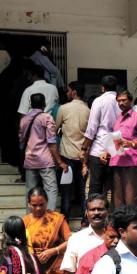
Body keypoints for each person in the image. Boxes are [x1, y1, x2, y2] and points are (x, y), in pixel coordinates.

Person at [20, 93, 68, 211]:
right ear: (44, 103)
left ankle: (30, 220)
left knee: (30, 191)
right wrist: (59, 161)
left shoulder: (24, 119)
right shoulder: (47, 118)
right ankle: (50, 219)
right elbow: (51, 143)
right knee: (51, 189)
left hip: (30, 159)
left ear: (30, 104)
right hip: (45, 160)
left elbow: (21, 140)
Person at [105, 90, 137, 208]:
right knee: (117, 199)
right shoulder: (118, 118)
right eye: (118, 101)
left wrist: (131, 143)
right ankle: (120, 225)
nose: (121, 103)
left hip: (132, 162)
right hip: (117, 160)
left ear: (130, 101)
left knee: (132, 197)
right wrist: (106, 152)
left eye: (124, 100)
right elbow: (115, 140)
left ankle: (133, 224)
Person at [57, 81, 90, 220]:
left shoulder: (63, 108)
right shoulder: (88, 110)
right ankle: (86, 221)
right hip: (83, 156)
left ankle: (65, 222)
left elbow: (54, 128)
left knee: (66, 192)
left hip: (67, 154)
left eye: (69, 90)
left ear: (74, 92)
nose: (67, 93)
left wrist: (62, 130)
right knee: (83, 192)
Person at [82, 75, 120, 197]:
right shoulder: (122, 101)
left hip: (99, 148)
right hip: (116, 148)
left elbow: (91, 128)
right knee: (114, 188)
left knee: (95, 187)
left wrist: (84, 148)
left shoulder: (99, 101)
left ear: (102, 88)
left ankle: (93, 215)